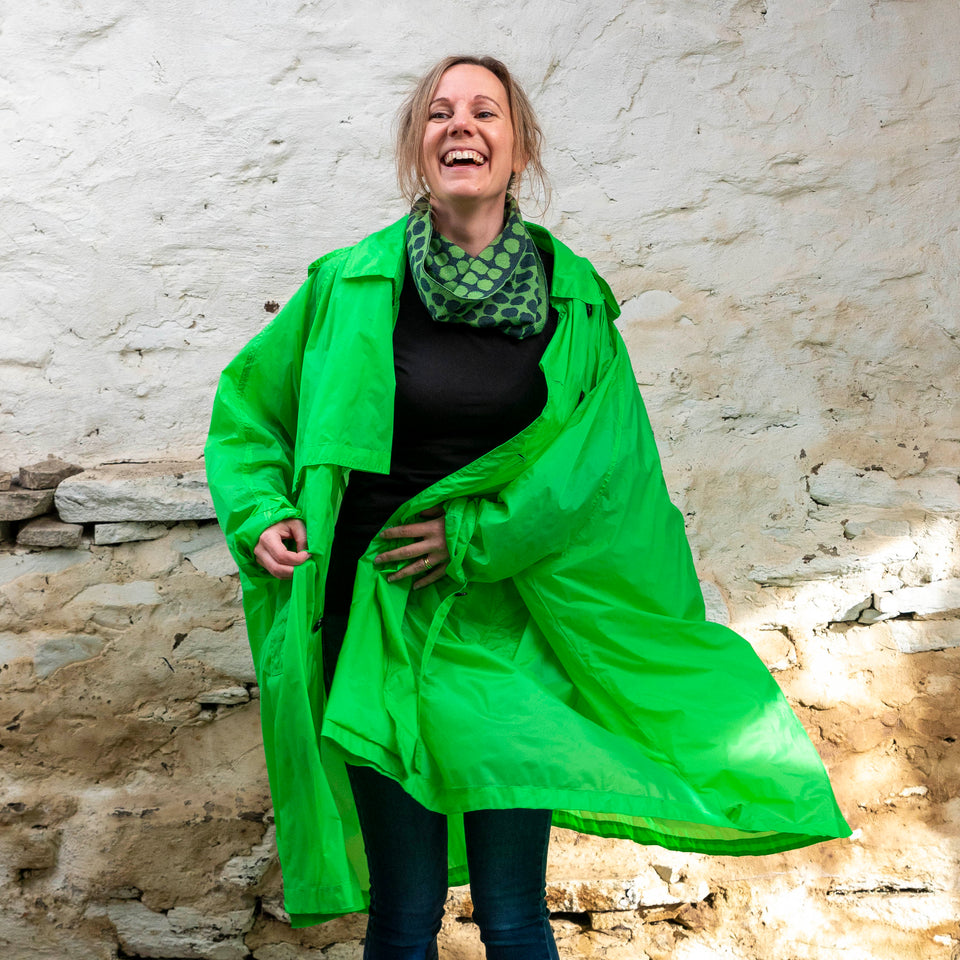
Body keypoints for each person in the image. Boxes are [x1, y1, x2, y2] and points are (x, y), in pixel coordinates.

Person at [205, 54, 850, 960]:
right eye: (438, 113)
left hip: (507, 629)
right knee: (403, 911)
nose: (459, 125)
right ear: (417, 147)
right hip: (374, 625)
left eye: (484, 112)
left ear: (519, 149)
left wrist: (475, 535)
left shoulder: (573, 304)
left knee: (512, 913)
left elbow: (602, 478)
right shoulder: (349, 285)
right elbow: (248, 412)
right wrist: (260, 512)